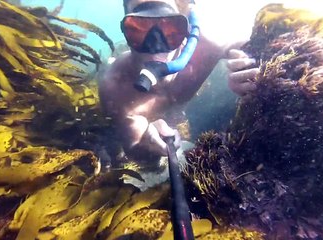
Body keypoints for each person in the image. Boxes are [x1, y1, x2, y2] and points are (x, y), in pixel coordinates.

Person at [98, 0, 259, 168]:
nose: (155, 45)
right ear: (125, 30)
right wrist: (146, 141)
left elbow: (266, 44)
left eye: (169, 28)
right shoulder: (116, 88)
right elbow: (138, 155)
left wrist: (250, 68)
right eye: (139, 28)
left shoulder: (207, 45)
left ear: (187, 28)